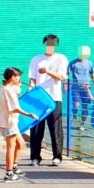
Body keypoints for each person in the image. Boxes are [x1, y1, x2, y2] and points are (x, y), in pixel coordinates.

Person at [28, 34, 68, 166]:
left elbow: (61, 77)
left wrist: (47, 72)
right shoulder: (36, 59)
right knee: (36, 128)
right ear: (45, 44)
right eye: (48, 43)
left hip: (54, 97)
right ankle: (35, 157)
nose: (50, 46)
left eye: (53, 43)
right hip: (39, 98)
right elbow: (32, 79)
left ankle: (57, 156)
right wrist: (30, 92)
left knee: (55, 128)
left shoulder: (61, 59)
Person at [0, 67, 37, 182]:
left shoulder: (5, 89)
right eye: (18, 77)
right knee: (11, 147)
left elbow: (1, 108)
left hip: (9, 122)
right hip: (9, 123)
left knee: (20, 144)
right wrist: (29, 114)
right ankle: (8, 173)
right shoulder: (8, 90)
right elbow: (14, 108)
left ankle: (14, 166)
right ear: (13, 77)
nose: (19, 79)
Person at [68, 46, 94, 131]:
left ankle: (82, 124)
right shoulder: (73, 63)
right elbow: (67, 73)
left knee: (85, 107)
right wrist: (66, 84)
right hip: (76, 88)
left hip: (86, 88)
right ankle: (74, 115)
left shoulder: (89, 63)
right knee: (76, 106)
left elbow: (92, 74)